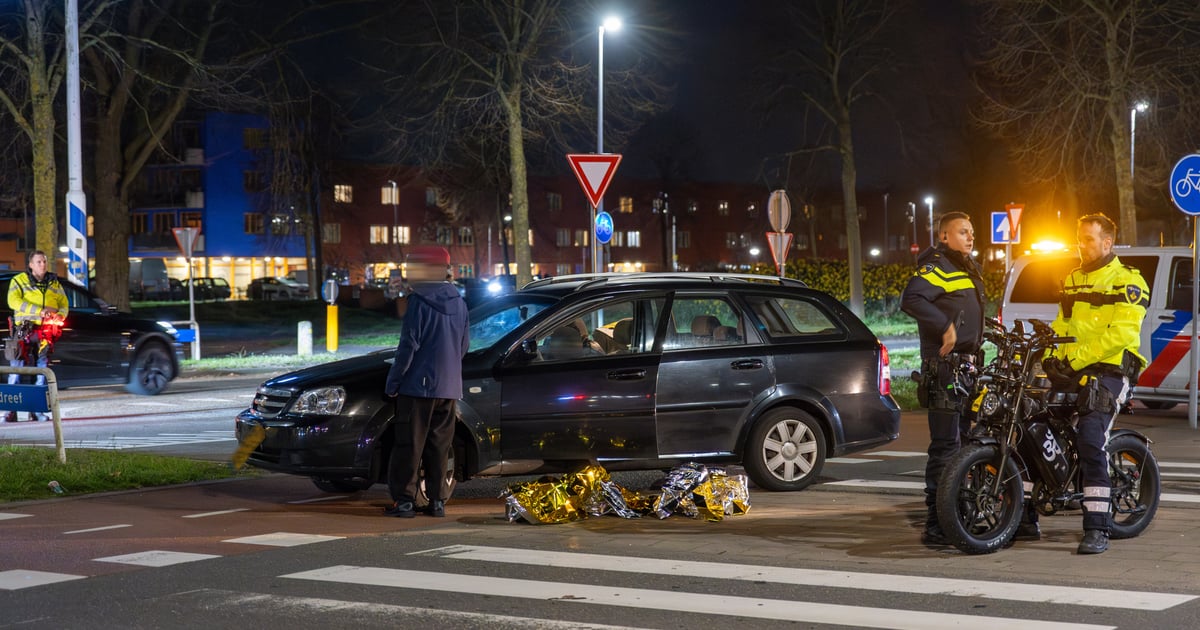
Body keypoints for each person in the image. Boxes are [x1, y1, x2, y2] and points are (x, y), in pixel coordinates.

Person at [1043, 214, 1149, 555]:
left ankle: (1097, 527)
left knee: (1090, 438)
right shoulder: (1072, 279)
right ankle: (1024, 516)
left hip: (1110, 372)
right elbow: (1061, 324)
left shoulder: (1128, 281)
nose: (1081, 245)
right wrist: (1049, 356)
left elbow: (1119, 335)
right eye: (1079, 238)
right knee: (1034, 426)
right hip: (1075, 370)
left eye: (1089, 239)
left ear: (1107, 242)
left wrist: (1073, 360)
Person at [900, 211, 987, 546]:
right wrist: (944, 327)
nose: (970, 236)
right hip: (945, 371)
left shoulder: (967, 268)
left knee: (965, 445)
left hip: (968, 369)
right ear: (945, 237)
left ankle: (958, 515)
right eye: (963, 232)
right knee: (945, 448)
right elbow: (911, 298)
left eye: (972, 231)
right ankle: (936, 524)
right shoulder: (937, 267)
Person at [383, 246, 469, 518]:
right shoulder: (460, 302)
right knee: (439, 446)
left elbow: (408, 347)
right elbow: (464, 346)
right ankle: (437, 502)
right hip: (449, 387)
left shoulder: (418, 302)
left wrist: (393, 384)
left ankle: (405, 502)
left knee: (410, 445)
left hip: (417, 388)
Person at [5, 250, 69, 422]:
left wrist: (59, 316)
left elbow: (64, 304)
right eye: (39, 262)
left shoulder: (54, 282)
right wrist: (39, 311)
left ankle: (37, 410)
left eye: (44, 262)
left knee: (42, 371)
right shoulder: (19, 281)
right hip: (24, 331)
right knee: (16, 370)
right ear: (31, 265)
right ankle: (11, 411)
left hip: (45, 332)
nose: (43, 265)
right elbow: (13, 301)